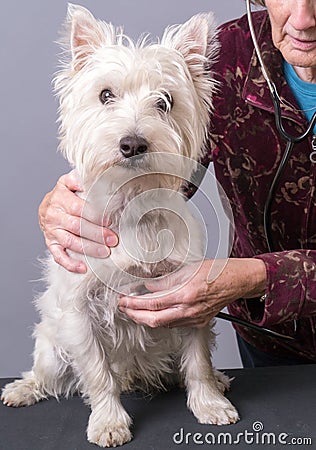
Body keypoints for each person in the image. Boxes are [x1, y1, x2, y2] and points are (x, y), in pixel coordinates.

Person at [38, 0, 316, 367]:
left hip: (256, 291)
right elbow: (173, 171)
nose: (302, 19)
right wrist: (64, 207)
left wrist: (260, 276)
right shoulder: (232, 53)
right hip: (269, 340)